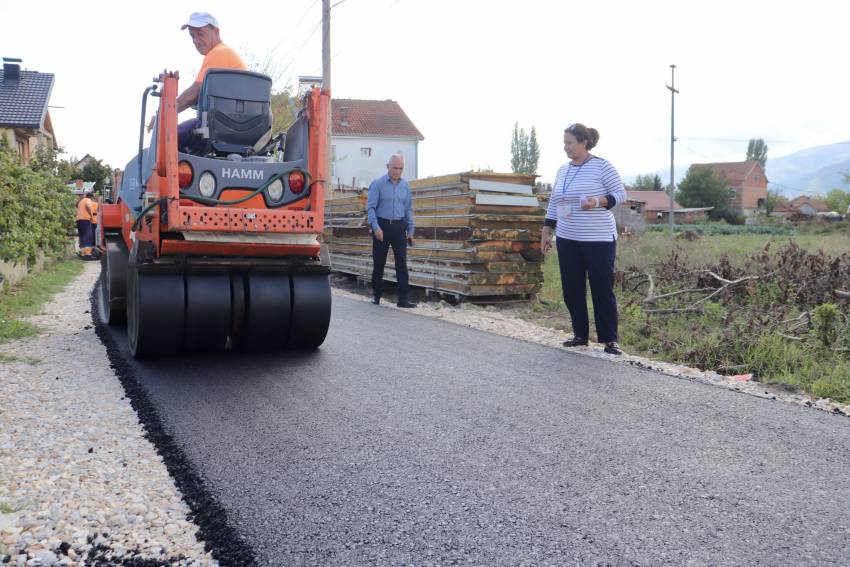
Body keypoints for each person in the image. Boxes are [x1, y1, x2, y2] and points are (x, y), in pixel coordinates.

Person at [541, 123, 627, 355]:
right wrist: (547, 230)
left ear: (584, 142)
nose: (565, 147)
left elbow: (620, 194)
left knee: (601, 288)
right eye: (564, 143)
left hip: (598, 239)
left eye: (569, 143)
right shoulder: (562, 170)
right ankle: (580, 335)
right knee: (572, 288)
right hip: (568, 238)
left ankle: (610, 340)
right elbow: (554, 202)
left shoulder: (602, 167)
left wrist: (597, 201)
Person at [147, 12, 246, 151]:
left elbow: (193, 94)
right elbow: (199, 97)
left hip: (221, 125)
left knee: (167, 140)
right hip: (233, 124)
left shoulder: (219, 53)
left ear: (215, 31)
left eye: (200, 34)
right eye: (192, 36)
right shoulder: (225, 53)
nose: (196, 41)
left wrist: (161, 115)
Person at [367, 154, 416, 308]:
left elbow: (408, 210)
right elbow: (370, 208)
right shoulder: (378, 184)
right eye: (395, 167)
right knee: (379, 263)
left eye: (401, 168)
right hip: (382, 226)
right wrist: (376, 227)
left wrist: (411, 230)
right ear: (388, 166)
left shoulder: (405, 186)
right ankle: (376, 295)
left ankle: (402, 300)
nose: (398, 171)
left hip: (399, 227)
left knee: (401, 264)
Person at [75, 192, 95, 260]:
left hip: (79, 220)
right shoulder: (87, 200)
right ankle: (88, 254)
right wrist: (91, 215)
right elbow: (88, 206)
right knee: (88, 236)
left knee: (82, 236)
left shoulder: (81, 201)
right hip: (85, 219)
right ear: (91, 197)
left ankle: (83, 253)